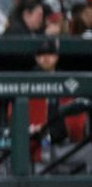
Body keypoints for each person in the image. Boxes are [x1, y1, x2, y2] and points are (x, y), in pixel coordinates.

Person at [25, 40, 91, 174]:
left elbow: (77, 121)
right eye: (42, 55)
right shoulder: (26, 82)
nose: (46, 58)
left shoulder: (67, 82)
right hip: (39, 147)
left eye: (50, 54)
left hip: (66, 146)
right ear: (36, 58)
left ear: (56, 57)